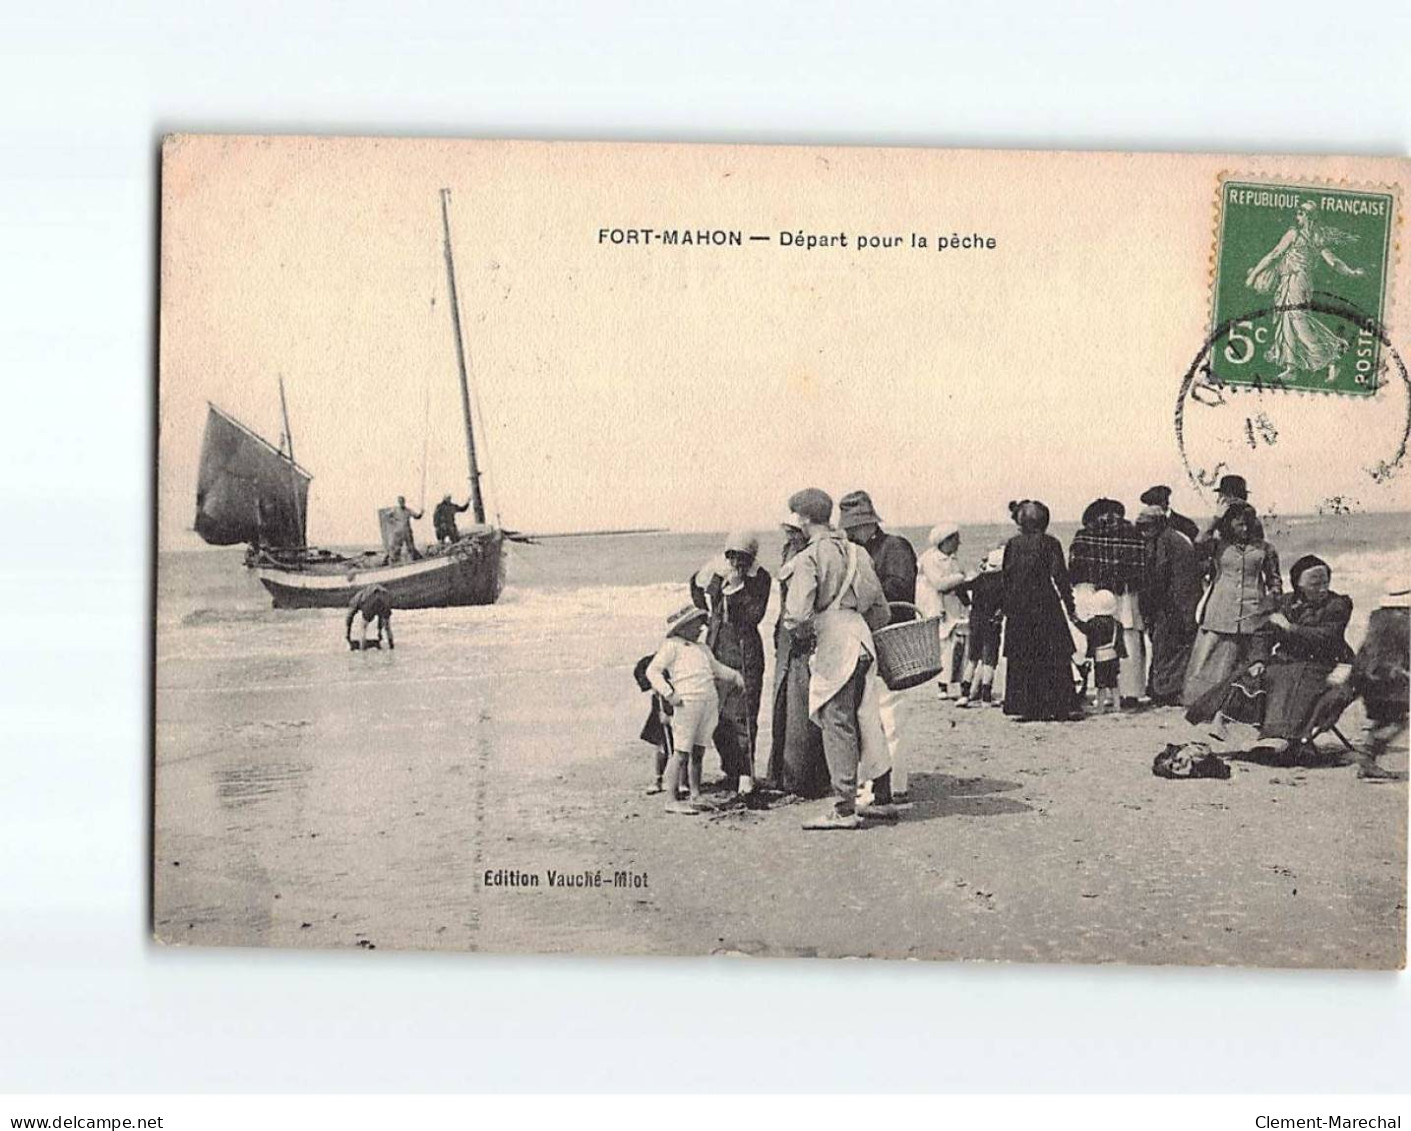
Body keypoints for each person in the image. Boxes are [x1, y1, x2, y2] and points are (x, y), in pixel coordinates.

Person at [780, 488, 893, 829]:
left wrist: (804, 636)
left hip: (834, 641)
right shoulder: (857, 552)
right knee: (867, 718)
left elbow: (797, 615)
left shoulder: (810, 557)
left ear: (802, 519)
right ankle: (882, 797)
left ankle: (844, 808)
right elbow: (881, 610)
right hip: (860, 638)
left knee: (837, 722)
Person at [838, 489, 917, 804]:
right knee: (871, 715)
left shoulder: (894, 547)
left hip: (890, 639)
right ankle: (878, 781)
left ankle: (895, 784)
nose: (850, 533)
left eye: (853, 527)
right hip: (869, 639)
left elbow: (900, 589)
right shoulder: (861, 551)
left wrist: (861, 596)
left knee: (891, 715)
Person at [1243, 555, 1353, 759]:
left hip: (1325, 662)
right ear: (1299, 585)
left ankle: (1287, 736)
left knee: (1296, 679)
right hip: (1286, 659)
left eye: (1325, 583)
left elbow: (1327, 636)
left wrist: (1290, 628)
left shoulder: (1338, 604)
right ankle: (1268, 733)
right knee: (1249, 676)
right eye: (1315, 584)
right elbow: (1264, 633)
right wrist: (1258, 659)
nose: (1322, 588)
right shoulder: (1285, 602)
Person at [1245, 200, 1365, 382]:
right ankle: (1291, 367)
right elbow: (1333, 262)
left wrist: (1253, 275)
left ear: (1308, 216)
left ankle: (1333, 356)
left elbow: (1274, 254)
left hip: (1296, 282)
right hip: (1293, 281)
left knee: (1298, 322)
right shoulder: (1314, 237)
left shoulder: (1296, 234)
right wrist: (1351, 272)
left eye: (1300, 213)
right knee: (1288, 322)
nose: (1297, 217)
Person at [689, 532, 772, 793]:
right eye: (732, 555)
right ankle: (731, 770)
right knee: (717, 713)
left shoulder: (760, 578)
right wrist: (707, 615)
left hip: (744, 648)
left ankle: (746, 774)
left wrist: (736, 589)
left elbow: (753, 616)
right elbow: (696, 589)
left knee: (743, 712)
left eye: (743, 557)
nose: (737, 562)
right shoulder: (716, 571)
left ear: (752, 557)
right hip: (716, 645)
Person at [644, 605, 746, 814]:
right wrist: (669, 694)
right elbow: (652, 671)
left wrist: (734, 675)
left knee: (698, 751)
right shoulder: (672, 646)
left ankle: (696, 794)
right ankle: (671, 799)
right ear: (682, 627)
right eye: (696, 624)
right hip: (687, 702)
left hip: (708, 702)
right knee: (681, 751)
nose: (701, 628)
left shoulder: (702, 649)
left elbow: (715, 669)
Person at [1305, 583, 1410, 781]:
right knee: (1396, 720)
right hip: (1390, 679)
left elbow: (1368, 650)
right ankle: (1367, 760)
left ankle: (1308, 736)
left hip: (1366, 673)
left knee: (1382, 718)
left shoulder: (1378, 617)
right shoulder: (1406, 621)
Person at [1183, 499, 1282, 707]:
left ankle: (1241, 706)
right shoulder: (1218, 546)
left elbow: (1274, 580)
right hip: (1221, 608)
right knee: (1213, 660)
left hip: (1253, 610)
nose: (1245, 529)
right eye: (1239, 524)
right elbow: (1198, 543)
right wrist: (1216, 518)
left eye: (1248, 524)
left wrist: (1271, 605)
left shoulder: (1265, 548)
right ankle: (1205, 704)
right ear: (1229, 525)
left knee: (1248, 660)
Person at [766, 523, 832, 799]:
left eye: (793, 530)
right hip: (789, 635)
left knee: (801, 707)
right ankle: (786, 774)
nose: (789, 536)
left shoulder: (805, 556)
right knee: (786, 703)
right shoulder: (794, 552)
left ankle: (800, 779)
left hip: (800, 637)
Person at [1001, 500, 1081, 721]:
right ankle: (1059, 706)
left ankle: (1027, 707)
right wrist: (1070, 605)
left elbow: (1006, 578)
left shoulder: (1013, 544)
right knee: (1053, 655)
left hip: (1019, 608)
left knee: (1023, 656)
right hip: (1046, 605)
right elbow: (1060, 577)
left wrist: (1004, 608)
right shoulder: (1050, 543)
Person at [1068, 498, 1148, 707]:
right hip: (1126, 594)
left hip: (1090, 593)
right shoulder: (1133, 533)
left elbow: (1075, 570)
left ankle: (1092, 689)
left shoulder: (1084, 535)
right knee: (1128, 638)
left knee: (1091, 641)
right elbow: (1141, 570)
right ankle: (1130, 692)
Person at [1136, 505, 1204, 706]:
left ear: (1157, 525)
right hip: (1180, 601)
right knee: (1171, 647)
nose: (1143, 532)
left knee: (1168, 646)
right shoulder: (1170, 538)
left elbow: (1159, 577)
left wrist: (1149, 607)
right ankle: (1164, 689)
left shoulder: (1165, 542)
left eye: (1146, 527)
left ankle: (1165, 691)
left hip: (1175, 603)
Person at [916, 521, 970, 700]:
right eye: (956, 539)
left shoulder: (953, 559)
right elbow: (939, 583)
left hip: (954, 607)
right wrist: (962, 577)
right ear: (946, 541)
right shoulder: (930, 559)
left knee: (958, 647)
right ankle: (942, 686)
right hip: (937, 607)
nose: (959, 544)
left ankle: (959, 684)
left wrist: (967, 604)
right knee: (944, 646)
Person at [958, 546, 1005, 707]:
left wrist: (968, 603)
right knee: (989, 660)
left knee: (972, 659)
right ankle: (985, 696)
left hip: (975, 620)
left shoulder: (980, 579)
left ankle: (964, 694)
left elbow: (960, 587)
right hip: (991, 622)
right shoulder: (1002, 581)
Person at [633, 654, 676, 797]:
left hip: (678, 698)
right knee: (661, 744)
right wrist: (653, 685)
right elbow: (642, 670)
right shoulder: (654, 661)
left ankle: (682, 782)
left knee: (681, 745)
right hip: (661, 701)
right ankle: (658, 779)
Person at [1080, 589, 1127, 714]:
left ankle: (1100, 706)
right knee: (1113, 683)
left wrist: (1075, 621)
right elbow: (1119, 642)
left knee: (1100, 684)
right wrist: (1122, 653)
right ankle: (1117, 705)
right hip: (1113, 655)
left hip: (1100, 656)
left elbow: (1084, 629)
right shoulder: (1117, 624)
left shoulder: (1093, 623)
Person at [345, 583, 394, 651]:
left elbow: (349, 616)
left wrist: (348, 635)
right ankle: (392, 647)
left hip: (371, 599)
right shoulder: (365, 592)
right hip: (385, 596)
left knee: (363, 627)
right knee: (387, 627)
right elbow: (380, 614)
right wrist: (379, 632)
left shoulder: (355, 599)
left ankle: (362, 651)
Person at [386, 496, 423, 562]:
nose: (401, 503)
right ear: (398, 502)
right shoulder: (395, 510)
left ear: (404, 502)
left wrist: (421, 513)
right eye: (400, 501)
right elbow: (387, 515)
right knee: (397, 547)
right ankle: (395, 561)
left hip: (407, 531)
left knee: (410, 546)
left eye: (402, 501)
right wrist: (392, 521)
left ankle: (415, 559)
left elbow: (417, 516)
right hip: (398, 532)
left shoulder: (408, 510)